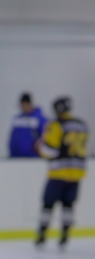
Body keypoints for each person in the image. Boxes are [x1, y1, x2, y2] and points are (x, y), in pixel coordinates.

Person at [36, 95, 88, 247]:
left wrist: (40, 148)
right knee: (68, 205)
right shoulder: (82, 124)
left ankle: (42, 235)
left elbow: (50, 150)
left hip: (58, 173)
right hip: (77, 174)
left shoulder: (56, 125)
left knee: (47, 205)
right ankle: (65, 236)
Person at [8, 92, 44, 159]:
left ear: (29, 104)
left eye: (25, 105)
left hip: (33, 157)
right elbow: (13, 136)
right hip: (16, 157)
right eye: (22, 105)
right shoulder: (17, 119)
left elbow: (45, 134)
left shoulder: (39, 118)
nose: (23, 107)